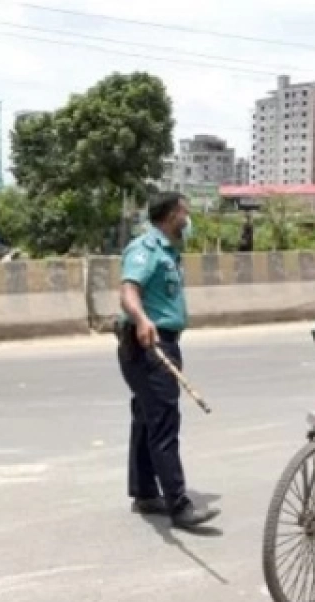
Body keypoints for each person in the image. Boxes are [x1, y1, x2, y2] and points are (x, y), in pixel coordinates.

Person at [117, 192, 220, 530]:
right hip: (150, 343)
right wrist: (143, 320)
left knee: (146, 419)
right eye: (184, 211)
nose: (188, 216)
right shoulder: (145, 249)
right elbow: (129, 289)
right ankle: (179, 506)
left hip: (158, 342)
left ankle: (145, 491)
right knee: (163, 422)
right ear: (171, 215)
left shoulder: (169, 252)